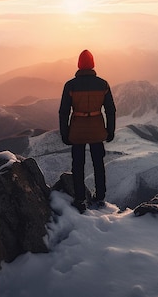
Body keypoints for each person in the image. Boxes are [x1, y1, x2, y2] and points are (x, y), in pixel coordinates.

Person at [59, 49, 116, 213]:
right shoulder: (103, 84)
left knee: (78, 164)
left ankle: (80, 199)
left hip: (77, 130)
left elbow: (64, 112)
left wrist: (65, 133)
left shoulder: (70, 85)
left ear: (79, 65)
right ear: (92, 65)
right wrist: (110, 130)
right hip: (97, 129)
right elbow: (110, 110)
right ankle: (100, 198)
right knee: (99, 164)